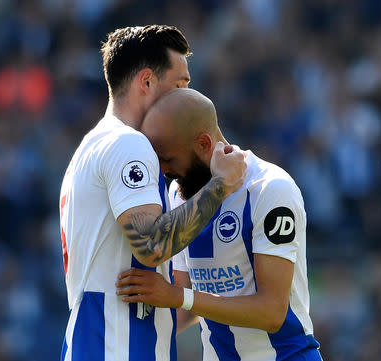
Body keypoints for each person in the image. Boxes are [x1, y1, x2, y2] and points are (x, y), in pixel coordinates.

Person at [59, 26, 247, 361]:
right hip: (118, 347)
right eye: (180, 85)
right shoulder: (129, 145)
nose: (188, 96)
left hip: (102, 342)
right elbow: (151, 244)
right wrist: (221, 184)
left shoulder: (91, 147)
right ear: (146, 82)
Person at [116, 88, 323, 360]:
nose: (164, 170)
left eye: (168, 158)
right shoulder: (179, 195)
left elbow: (272, 312)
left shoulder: (271, 189)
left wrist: (177, 296)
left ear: (203, 144)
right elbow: (185, 306)